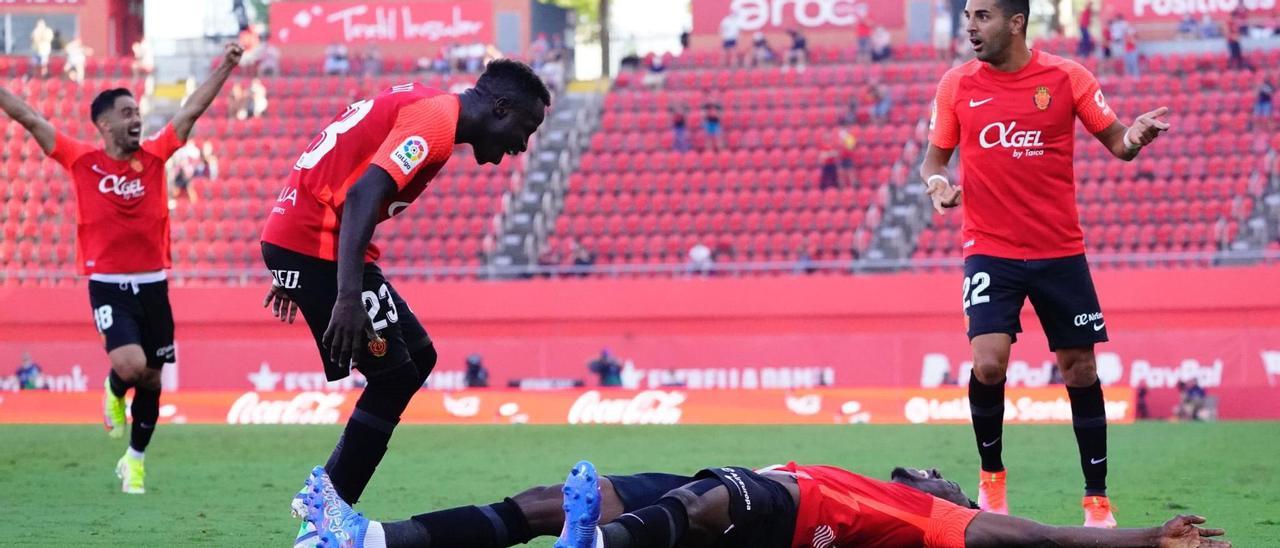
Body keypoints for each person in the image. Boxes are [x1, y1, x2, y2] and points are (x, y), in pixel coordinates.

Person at [259, 59, 548, 533]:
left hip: (311, 241)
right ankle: (324, 517)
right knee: (393, 377)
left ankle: (326, 501)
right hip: (317, 245)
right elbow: (362, 194)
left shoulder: (428, 104)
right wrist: (343, 295)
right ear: (500, 107)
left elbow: (342, 164)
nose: (522, 145)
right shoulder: (434, 121)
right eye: (526, 127)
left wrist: (292, 257)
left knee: (419, 356)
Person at [920, 0, 1170, 527]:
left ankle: (1097, 501)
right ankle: (992, 483)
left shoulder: (1066, 77)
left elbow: (1118, 143)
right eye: (968, 15)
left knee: (1079, 369)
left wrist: (1138, 137)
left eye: (982, 15)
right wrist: (938, 185)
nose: (970, 25)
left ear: (1015, 23)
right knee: (988, 363)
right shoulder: (956, 85)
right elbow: (935, 158)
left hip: (1060, 251)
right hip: (989, 247)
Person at [0, 43, 243, 494]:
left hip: (154, 284)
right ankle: (113, 393)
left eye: (138, 112)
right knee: (130, 367)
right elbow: (30, 118)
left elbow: (191, 110)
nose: (137, 119)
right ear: (104, 123)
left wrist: (226, 66)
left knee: (152, 377)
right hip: (109, 284)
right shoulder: (80, 160)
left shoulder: (153, 157)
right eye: (127, 112)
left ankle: (134, 460)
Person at [292, 460, 1231, 548]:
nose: (929, 473)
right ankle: (370, 537)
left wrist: (1148, 537)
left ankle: (598, 545)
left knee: (712, 504)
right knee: (544, 500)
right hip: (765, 487)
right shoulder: (884, 482)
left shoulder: (933, 522)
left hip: (794, 516)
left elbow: (1033, 536)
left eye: (936, 475)